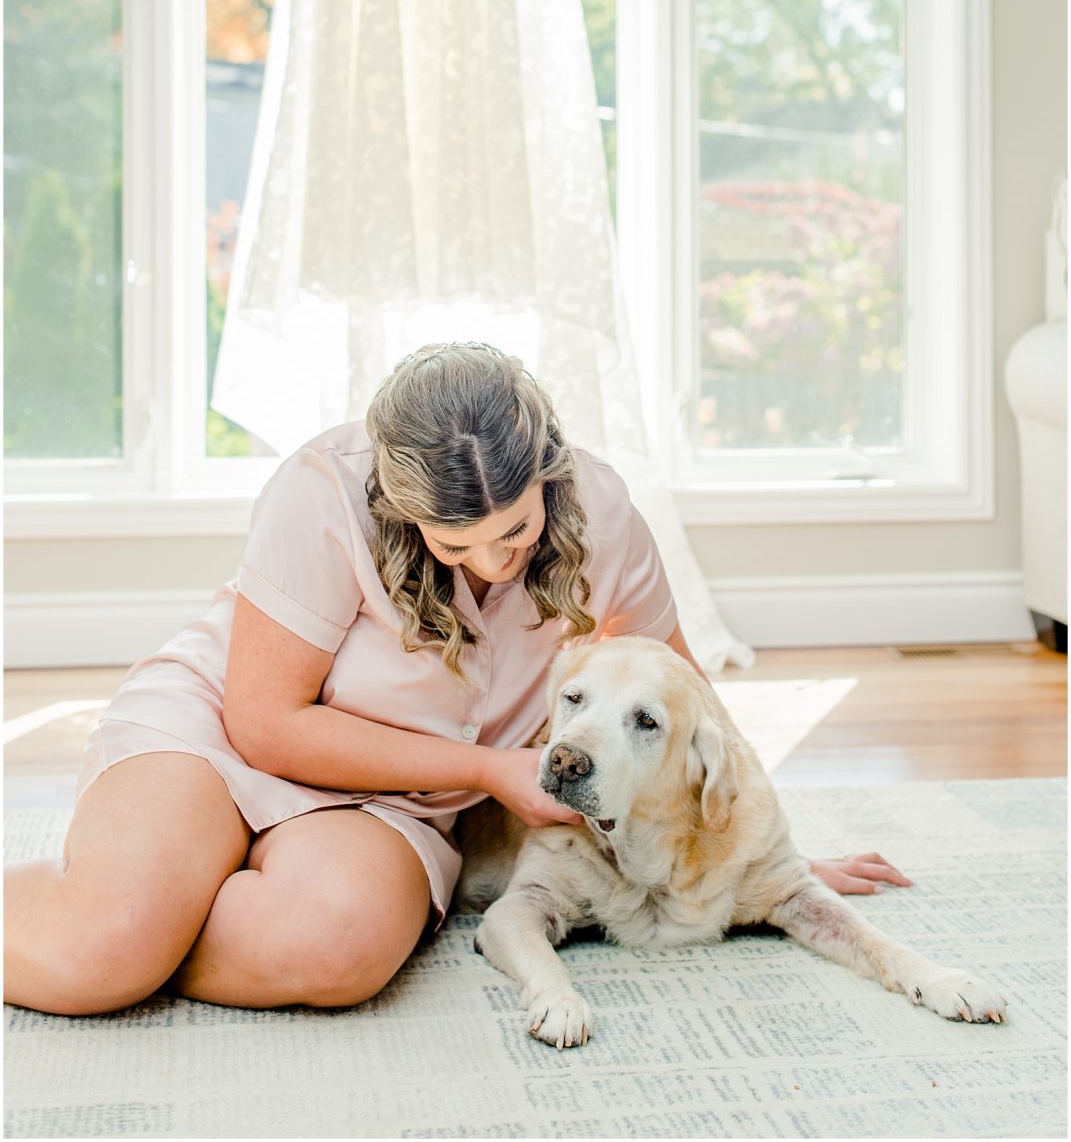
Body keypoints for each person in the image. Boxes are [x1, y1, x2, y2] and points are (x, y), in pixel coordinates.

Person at [4, 342, 909, 1016]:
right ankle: (133, 919)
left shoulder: (603, 514)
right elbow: (263, 722)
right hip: (219, 733)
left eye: (513, 532)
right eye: (455, 543)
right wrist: (485, 772)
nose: (493, 561)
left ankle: (160, 906)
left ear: (548, 476)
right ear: (402, 507)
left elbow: (680, 703)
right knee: (103, 950)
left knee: (337, 952)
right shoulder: (320, 489)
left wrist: (748, 857)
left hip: (395, 803)